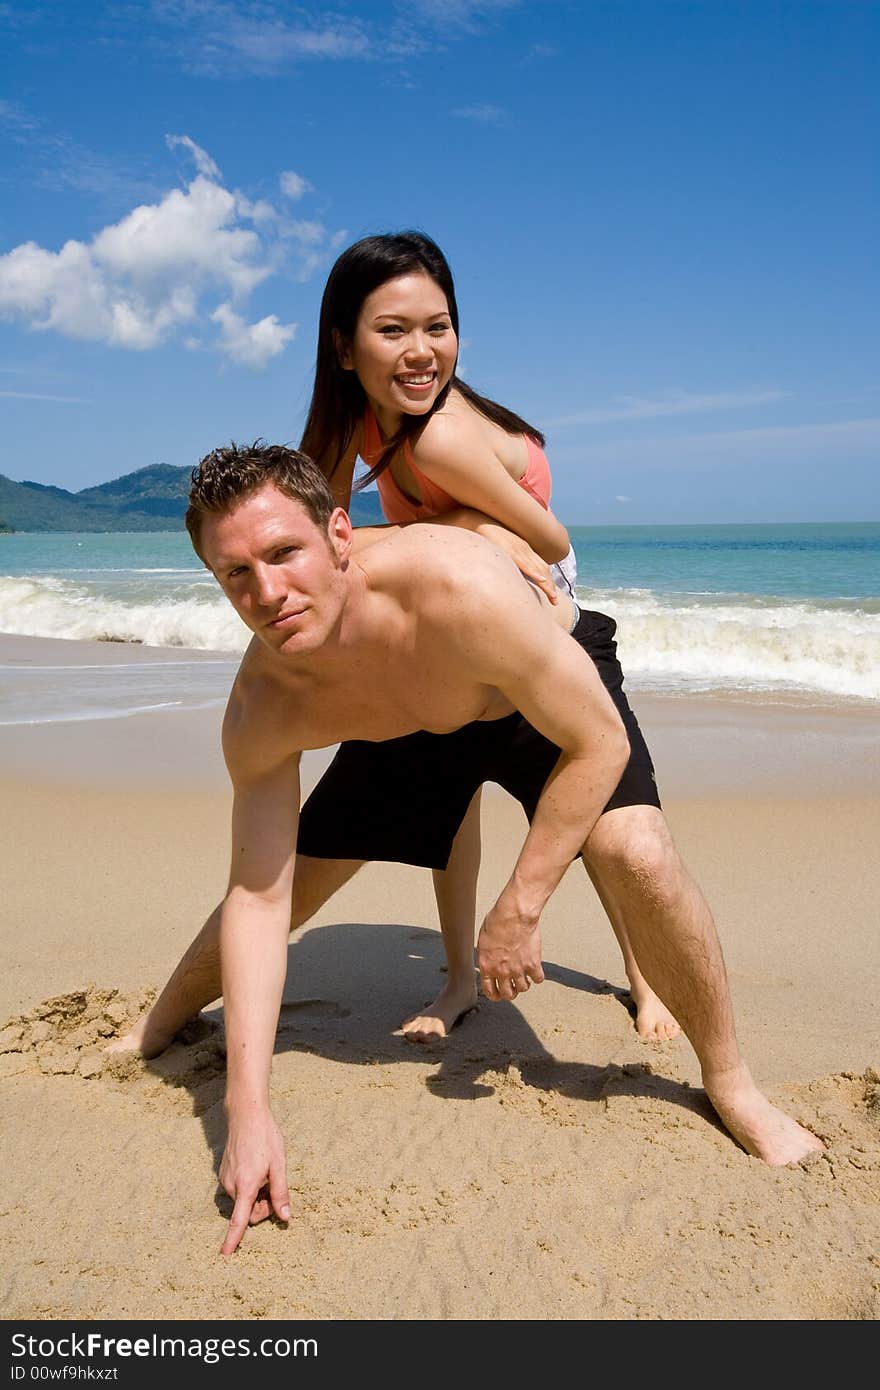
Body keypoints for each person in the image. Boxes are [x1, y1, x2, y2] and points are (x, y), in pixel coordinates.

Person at [112, 443, 823, 1257]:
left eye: (284, 553)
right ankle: (160, 1023)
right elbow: (258, 896)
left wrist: (520, 907)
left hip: (535, 695)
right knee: (292, 881)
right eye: (236, 574)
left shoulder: (456, 590)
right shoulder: (265, 704)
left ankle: (731, 1083)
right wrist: (249, 1112)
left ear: (340, 536)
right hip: (408, 720)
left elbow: (597, 742)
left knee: (638, 854)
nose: (267, 593)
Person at [299, 230, 680, 1044]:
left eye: (438, 327)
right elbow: (319, 547)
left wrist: (471, 527)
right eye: (393, 330)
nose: (421, 350)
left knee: (586, 809)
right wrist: (464, 533)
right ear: (343, 345)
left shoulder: (438, 433)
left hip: (543, 591)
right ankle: (461, 979)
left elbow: (548, 537)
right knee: (451, 794)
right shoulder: (348, 427)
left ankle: (646, 979)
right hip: (468, 589)